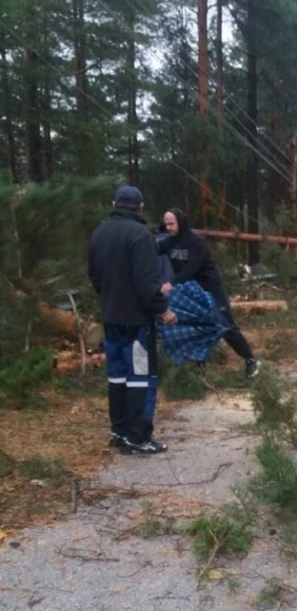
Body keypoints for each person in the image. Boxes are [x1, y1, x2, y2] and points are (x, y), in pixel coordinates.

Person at [88, 185, 177, 454]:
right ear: (140, 207)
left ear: (115, 203)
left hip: (111, 319)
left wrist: (112, 297)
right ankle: (138, 438)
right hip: (137, 322)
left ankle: (119, 431)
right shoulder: (141, 235)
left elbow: (94, 277)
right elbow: (147, 283)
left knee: (117, 376)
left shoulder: (98, 233)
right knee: (141, 377)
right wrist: (163, 309)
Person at [158, 208, 261, 378]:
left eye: (171, 223)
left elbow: (192, 267)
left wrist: (171, 283)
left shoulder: (196, 242)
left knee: (224, 324)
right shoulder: (168, 242)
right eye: (166, 223)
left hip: (210, 288)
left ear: (181, 222)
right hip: (190, 291)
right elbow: (150, 249)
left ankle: (250, 360)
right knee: (193, 327)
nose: (168, 227)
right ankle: (198, 368)